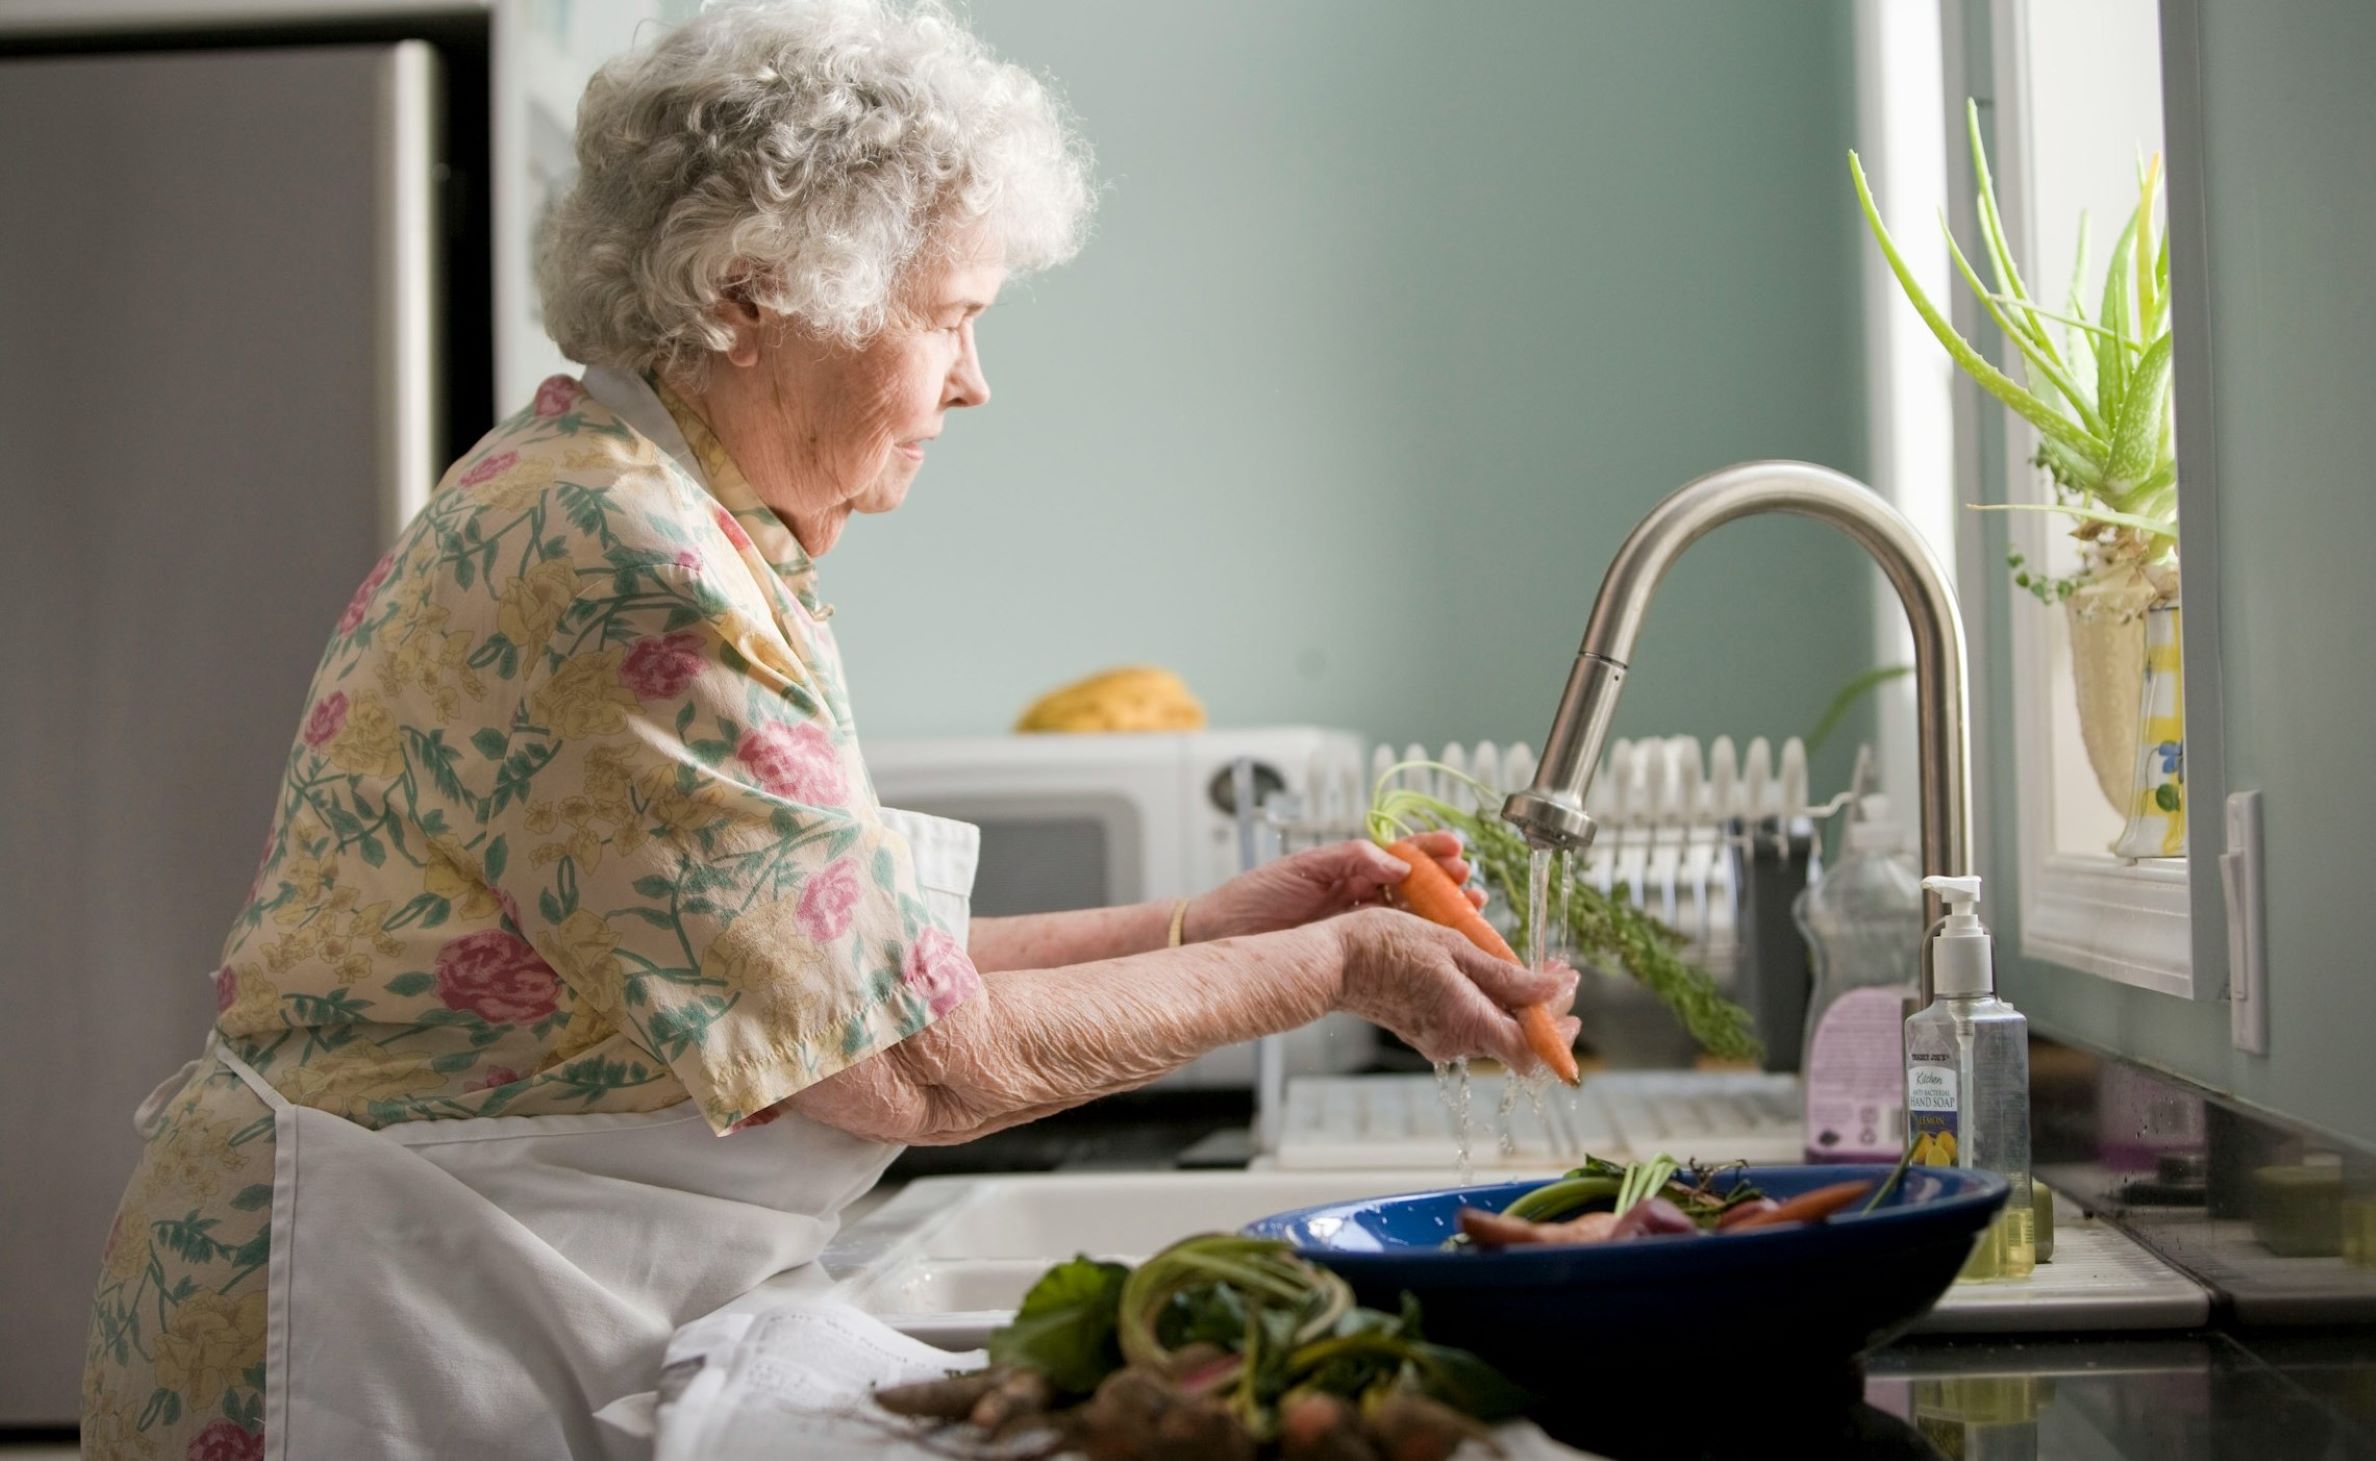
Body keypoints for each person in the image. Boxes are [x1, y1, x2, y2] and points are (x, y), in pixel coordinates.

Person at [80, 5, 1575, 1456]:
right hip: (375, 1335)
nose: (974, 382)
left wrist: (1207, 921)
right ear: (749, 295)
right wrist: (1334, 962)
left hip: (465, 1283)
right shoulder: (626, 565)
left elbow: (832, 976)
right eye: (950, 318)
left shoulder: (636, 504)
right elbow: (911, 1063)